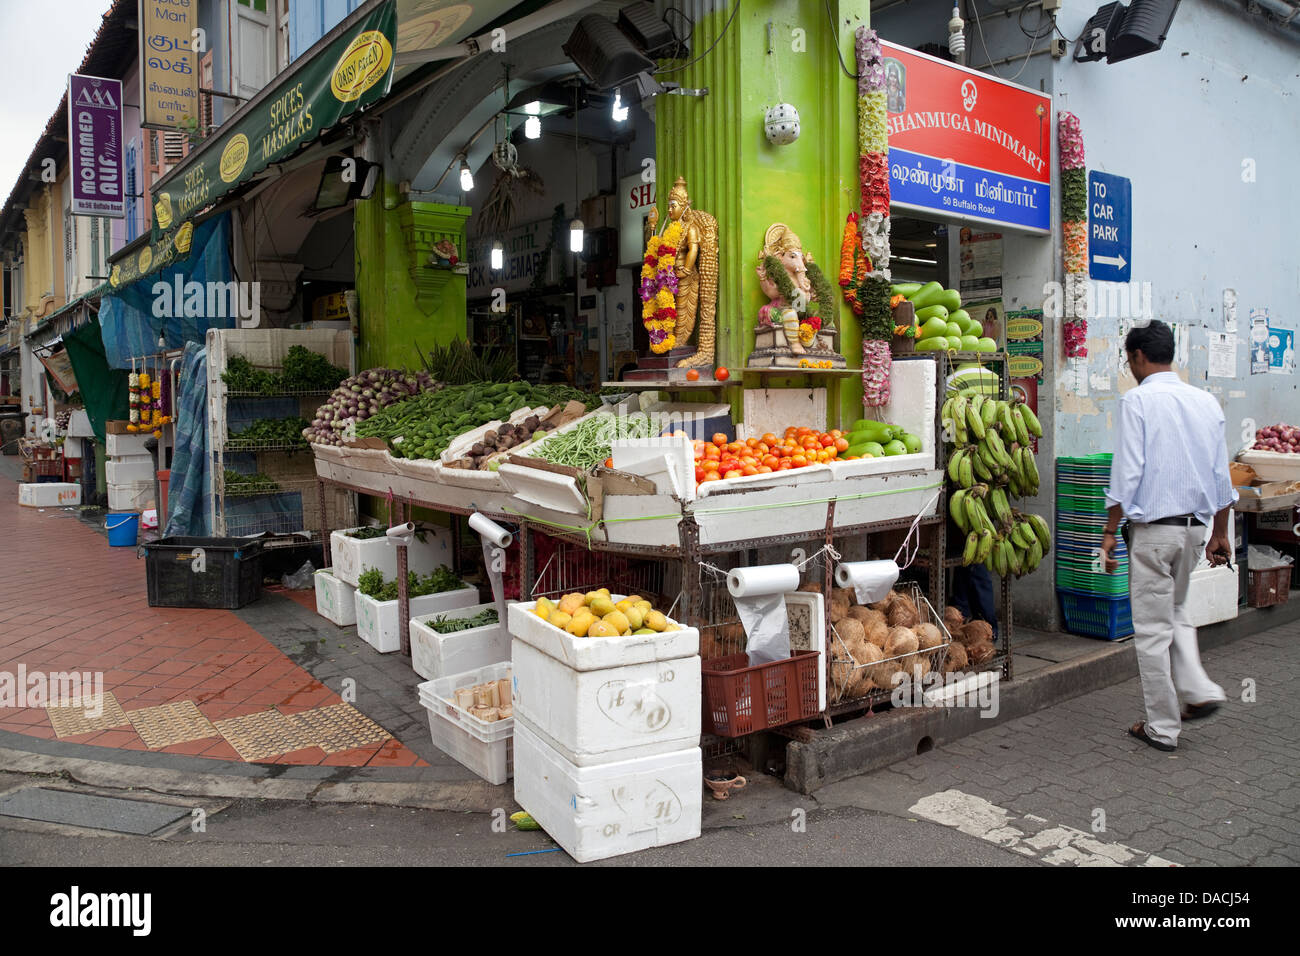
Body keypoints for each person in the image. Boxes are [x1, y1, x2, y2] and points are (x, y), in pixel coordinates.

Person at [1099, 320, 1234, 752]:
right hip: (1195, 531)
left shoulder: (1137, 401)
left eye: (1128, 359)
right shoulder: (1205, 401)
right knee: (1175, 612)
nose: (1130, 367)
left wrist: (1107, 532)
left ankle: (1162, 727)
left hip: (1154, 534)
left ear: (1138, 356)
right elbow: (1221, 477)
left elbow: (1127, 475)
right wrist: (1221, 534)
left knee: (1154, 630)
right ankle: (1200, 690)